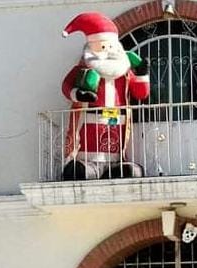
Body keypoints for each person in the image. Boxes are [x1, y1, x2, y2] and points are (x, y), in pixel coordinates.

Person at [60, 12, 150, 180]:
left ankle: (115, 167)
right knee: (78, 172)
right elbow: (66, 86)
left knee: (131, 172)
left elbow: (141, 93)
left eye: (111, 47)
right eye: (103, 47)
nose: (108, 52)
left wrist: (142, 73)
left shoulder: (124, 73)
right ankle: (85, 168)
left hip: (116, 127)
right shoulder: (82, 70)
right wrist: (78, 94)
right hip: (87, 137)